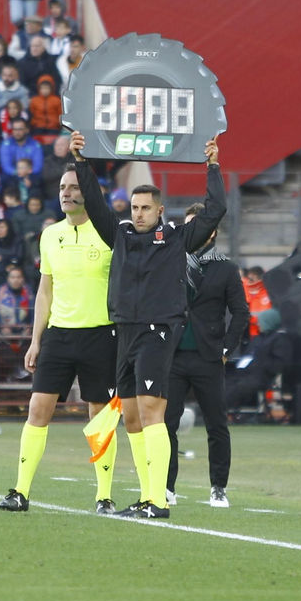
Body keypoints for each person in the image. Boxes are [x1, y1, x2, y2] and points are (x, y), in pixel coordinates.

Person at [67, 129, 224, 519]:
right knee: (132, 417)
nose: (137, 213)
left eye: (144, 208)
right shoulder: (118, 234)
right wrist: (82, 163)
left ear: (159, 210)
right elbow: (97, 205)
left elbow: (215, 210)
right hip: (125, 332)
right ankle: (146, 495)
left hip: (157, 331)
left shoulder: (176, 237)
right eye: (134, 207)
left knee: (153, 412)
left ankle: (157, 500)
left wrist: (213, 167)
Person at [0, 164, 120, 514]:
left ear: (89, 193)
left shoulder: (109, 233)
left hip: (101, 334)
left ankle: (104, 496)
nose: (66, 192)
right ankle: (20, 491)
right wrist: (36, 340)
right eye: (63, 187)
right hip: (59, 336)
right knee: (37, 409)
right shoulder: (50, 234)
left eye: (74, 187)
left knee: (100, 417)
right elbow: (44, 292)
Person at [165, 204, 248, 507]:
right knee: (165, 424)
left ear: (211, 230)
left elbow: (241, 313)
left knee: (216, 424)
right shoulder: (170, 262)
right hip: (172, 355)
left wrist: (226, 348)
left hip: (208, 356)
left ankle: (218, 487)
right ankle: (166, 487)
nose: (190, 233)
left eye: (196, 226)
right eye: (187, 227)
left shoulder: (226, 268)